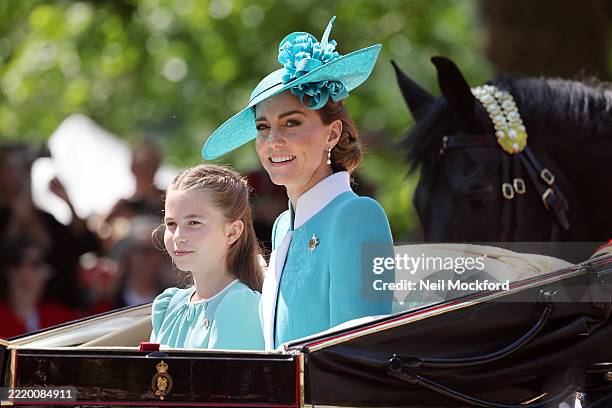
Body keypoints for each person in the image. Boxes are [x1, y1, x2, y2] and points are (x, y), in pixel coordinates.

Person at [202, 17, 395, 349]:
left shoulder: (361, 216)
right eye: (263, 127)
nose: (273, 141)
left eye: (291, 123)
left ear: (331, 134)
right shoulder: (281, 226)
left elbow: (362, 356)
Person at [149, 164, 264, 350]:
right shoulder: (169, 305)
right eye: (171, 223)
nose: (177, 236)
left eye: (193, 222)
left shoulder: (240, 307)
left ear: (232, 232)